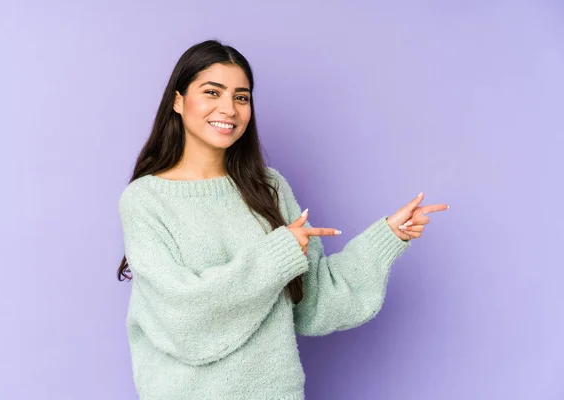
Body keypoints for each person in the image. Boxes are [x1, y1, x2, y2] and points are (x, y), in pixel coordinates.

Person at [117, 39, 448, 400]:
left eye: (241, 97)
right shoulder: (146, 200)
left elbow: (314, 303)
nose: (228, 108)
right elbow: (182, 315)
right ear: (178, 101)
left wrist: (387, 237)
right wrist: (277, 255)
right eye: (212, 92)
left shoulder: (270, 187)